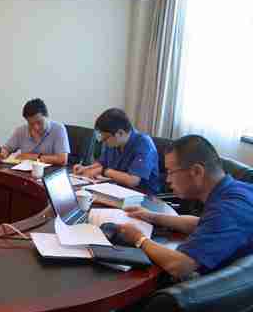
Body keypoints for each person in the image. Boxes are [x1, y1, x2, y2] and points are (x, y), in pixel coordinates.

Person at [117, 135, 253, 280]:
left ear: (197, 171)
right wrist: (152, 216)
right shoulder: (236, 190)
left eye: (170, 171)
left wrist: (139, 238)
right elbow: (202, 223)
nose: (167, 179)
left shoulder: (228, 209)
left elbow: (180, 266)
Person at [73, 108, 160, 194]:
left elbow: (133, 180)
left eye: (105, 138)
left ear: (120, 133)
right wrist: (85, 168)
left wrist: (103, 171)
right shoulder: (115, 142)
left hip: (143, 196)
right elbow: (102, 163)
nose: (103, 141)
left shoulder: (144, 144)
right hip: (118, 189)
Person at [0, 98, 70, 166]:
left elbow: (62, 159)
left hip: (50, 172)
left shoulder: (58, 129)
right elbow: (6, 149)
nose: (36, 127)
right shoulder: (21, 131)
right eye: (31, 124)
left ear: (47, 116)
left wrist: (32, 157)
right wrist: (3, 153)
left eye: (39, 122)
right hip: (24, 171)